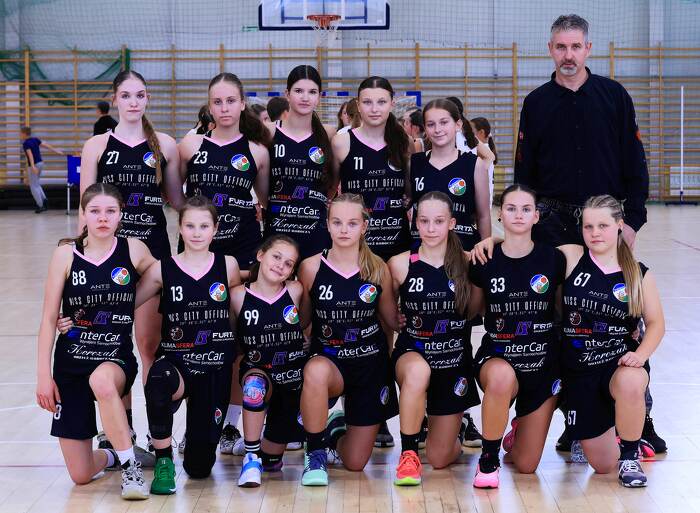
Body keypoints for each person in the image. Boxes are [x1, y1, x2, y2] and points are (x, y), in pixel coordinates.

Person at [514, 13, 664, 454]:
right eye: (561, 47)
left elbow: (635, 165)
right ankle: (576, 419)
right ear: (550, 49)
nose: (568, 55)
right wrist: (525, 227)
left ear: (588, 49)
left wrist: (631, 222)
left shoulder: (614, 96)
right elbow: (525, 174)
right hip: (554, 223)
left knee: (625, 317)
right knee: (564, 321)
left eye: (575, 46)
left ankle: (639, 419)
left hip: (607, 221)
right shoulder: (536, 103)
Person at [79, 69, 184, 461]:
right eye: (126, 95)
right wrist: (82, 259)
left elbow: (177, 200)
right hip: (109, 257)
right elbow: (86, 208)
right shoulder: (97, 145)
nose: (133, 102)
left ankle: (160, 434)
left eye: (140, 95)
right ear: (115, 99)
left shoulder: (165, 145)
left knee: (150, 346)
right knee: (112, 343)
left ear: (147, 98)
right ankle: (118, 434)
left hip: (152, 255)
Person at [36, 183, 155, 500]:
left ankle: (131, 470)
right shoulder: (65, 254)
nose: (103, 218)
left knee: (101, 381)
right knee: (81, 474)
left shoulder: (133, 249)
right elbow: (48, 319)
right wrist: (44, 376)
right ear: (84, 214)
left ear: (120, 215)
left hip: (113, 356)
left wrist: (130, 303)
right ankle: (115, 455)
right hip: (71, 362)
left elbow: (163, 276)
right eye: (95, 211)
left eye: (110, 211)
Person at [133, 196, 240, 494]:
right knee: (157, 378)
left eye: (204, 226)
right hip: (178, 364)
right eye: (190, 226)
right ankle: (164, 459)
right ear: (179, 228)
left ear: (215, 229)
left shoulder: (228, 266)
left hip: (215, 367)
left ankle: (196, 440)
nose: (196, 233)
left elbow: (243, 305)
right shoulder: (162, 269)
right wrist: (75, 317)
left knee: (199, 468)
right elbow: (126, 303)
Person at [558, 195, 664, 487]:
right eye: (588, 226)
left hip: (618, 362)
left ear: (619, 225)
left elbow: (656, 323)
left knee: (632, 380)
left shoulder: (638, 273)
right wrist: (492, 241)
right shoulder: (571, 256)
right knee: (603, 465)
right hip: (579, 371)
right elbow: (526, 252)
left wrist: (640, 356)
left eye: (603, 225)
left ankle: (630, 456)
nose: (595, 233)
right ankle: (616, 433)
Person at [297, 193, 400, 486]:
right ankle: (315, 452)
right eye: (337, 222)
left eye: (352, 223)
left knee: (355, 463)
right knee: (315, 370)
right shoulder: (311, 267)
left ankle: (335, 430)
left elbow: (391, 321)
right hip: (331, 362)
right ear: (327, 224)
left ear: (364, 227)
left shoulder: (378, 268)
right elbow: (303, 322)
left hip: (369, 364)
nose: (344, 230)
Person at [468, 184, 564, 489]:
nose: (518, 215)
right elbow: (473, 310)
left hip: (542, 363)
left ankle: (517, 426)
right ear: (500, 214)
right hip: (500, 355)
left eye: (526, 209)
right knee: (500, 378)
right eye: (511, 208)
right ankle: (488, 458)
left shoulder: (555, 259)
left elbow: (562, 311)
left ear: (536, 216)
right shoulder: (485, 259)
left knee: (525, 465)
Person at [388, 191, 479, 486]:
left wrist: (492, 241)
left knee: (439, 458)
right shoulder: (400, 264)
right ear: (414, 222)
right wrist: (396, 319)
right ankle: (408, 454)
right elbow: (386, 314)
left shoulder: (469, 262)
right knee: (418, 371)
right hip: (413, 353)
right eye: (424, 221)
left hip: (453, 361)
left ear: (452, 223)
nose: (430, 228)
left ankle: (455, 428)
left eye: (438, 221)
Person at [232, 235, 307, 487]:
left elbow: (307, 324)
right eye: (276, 257)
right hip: (258, 371)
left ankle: (266, 448)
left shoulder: (296, 290)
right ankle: (250, 457)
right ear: (260, 255)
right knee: (254, 387)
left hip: (291, 378)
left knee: (273, 463)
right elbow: (233, 338)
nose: (280, 266)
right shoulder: (237, 295)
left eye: (288, 263)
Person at [179, 72, 271, 275]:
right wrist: (191, 219)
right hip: (198, 242)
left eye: (231, 101)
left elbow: (266, 201)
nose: (224, 108)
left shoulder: (257, 151)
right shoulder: (191, 144)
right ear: (210, 107)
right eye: (217, 102)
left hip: (243, 244)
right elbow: (175, 194)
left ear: (242, 103)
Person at [333, 76, 412, 261]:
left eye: (381, 102)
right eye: (367, 102)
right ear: (358, 105)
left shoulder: (404, 142)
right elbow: (331, 191)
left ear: (392, 104)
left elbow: (410, 192)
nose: (374, 109)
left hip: (397, 242)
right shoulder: (341, 142)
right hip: (356, 245)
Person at [264, 65, 337, 260]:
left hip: (315, 232)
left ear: (319, 97)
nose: (305, 97)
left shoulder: (329, 134)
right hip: (278, 230)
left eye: (312, 92)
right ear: (287, 94)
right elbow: (263, 190)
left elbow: (331, 185)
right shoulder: (270, 132)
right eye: (298, 91)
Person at [410, 99, 491, 252]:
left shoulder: (474, 164)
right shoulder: (415, 163)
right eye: (431, 124)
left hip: (463, 251)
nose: (437, 129)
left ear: (458, 125)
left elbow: (484, 216)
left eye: (444, 122)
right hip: (422, 252)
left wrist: (485, 252)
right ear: (425, 128)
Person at [21, 126, 64, 213]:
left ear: (24, 134)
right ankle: (45, 200)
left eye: (21, 133)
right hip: (40, 163)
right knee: (36, 184)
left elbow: (30, 155)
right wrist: (56, 150)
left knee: (33, 186)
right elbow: (46, 145)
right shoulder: (35, 139)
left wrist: (32, 166)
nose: (20, 135)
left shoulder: (26, 143)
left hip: (34, 164)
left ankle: (40, 205)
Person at [470, 116, 497, 207]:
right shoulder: (486, 149)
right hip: (484, 197)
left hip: (481, 199)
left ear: (481, 132)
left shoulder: (482, 152)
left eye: (471, 131)